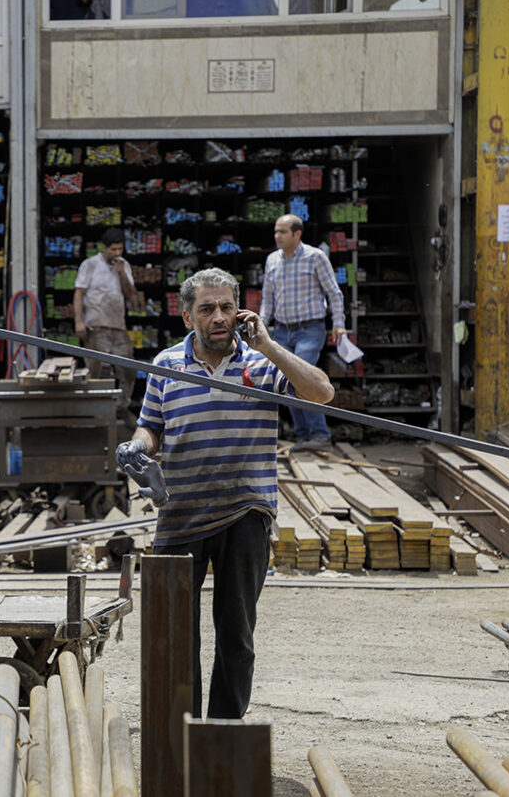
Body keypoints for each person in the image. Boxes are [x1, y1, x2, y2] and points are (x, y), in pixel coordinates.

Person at [117, 268, 333, 719]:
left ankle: (223, 733)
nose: (219, 317)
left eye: (227, 307)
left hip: (245, 513)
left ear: (240, 311)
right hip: (181, 513)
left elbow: (322, 392)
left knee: (236, 632)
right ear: (187, 316)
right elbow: (151, 426)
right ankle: (181, 733)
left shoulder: (259, 364)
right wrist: (138, 447)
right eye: (207, 308)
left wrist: (269, 347)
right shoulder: (166, 364)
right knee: (175, 634)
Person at [258, 214, 346, 452]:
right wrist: (261, 325)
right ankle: (305, 437)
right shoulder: (272, 260)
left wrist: (338, 322)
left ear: (297, 234)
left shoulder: (315, 257)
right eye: (276, 231)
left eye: (283, 232)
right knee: (289, 381)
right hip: (283, 332)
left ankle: (320, 435)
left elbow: (334, 293)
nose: (277, 236)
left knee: (303, 378)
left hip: (310, 330)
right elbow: (268, 298)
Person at [74, 227, 138, 415]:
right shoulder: (90, 264)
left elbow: (131, 296)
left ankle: (122, 407)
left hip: (118, 326)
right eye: (113, 250)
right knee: (96, 371)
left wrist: (121, 274)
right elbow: (79, 293)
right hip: (96, 325)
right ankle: (95, 410)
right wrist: (79, 321)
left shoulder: (124, 265)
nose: (117, 253)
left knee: (128, 369)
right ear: (105, 248)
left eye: (120, 249)